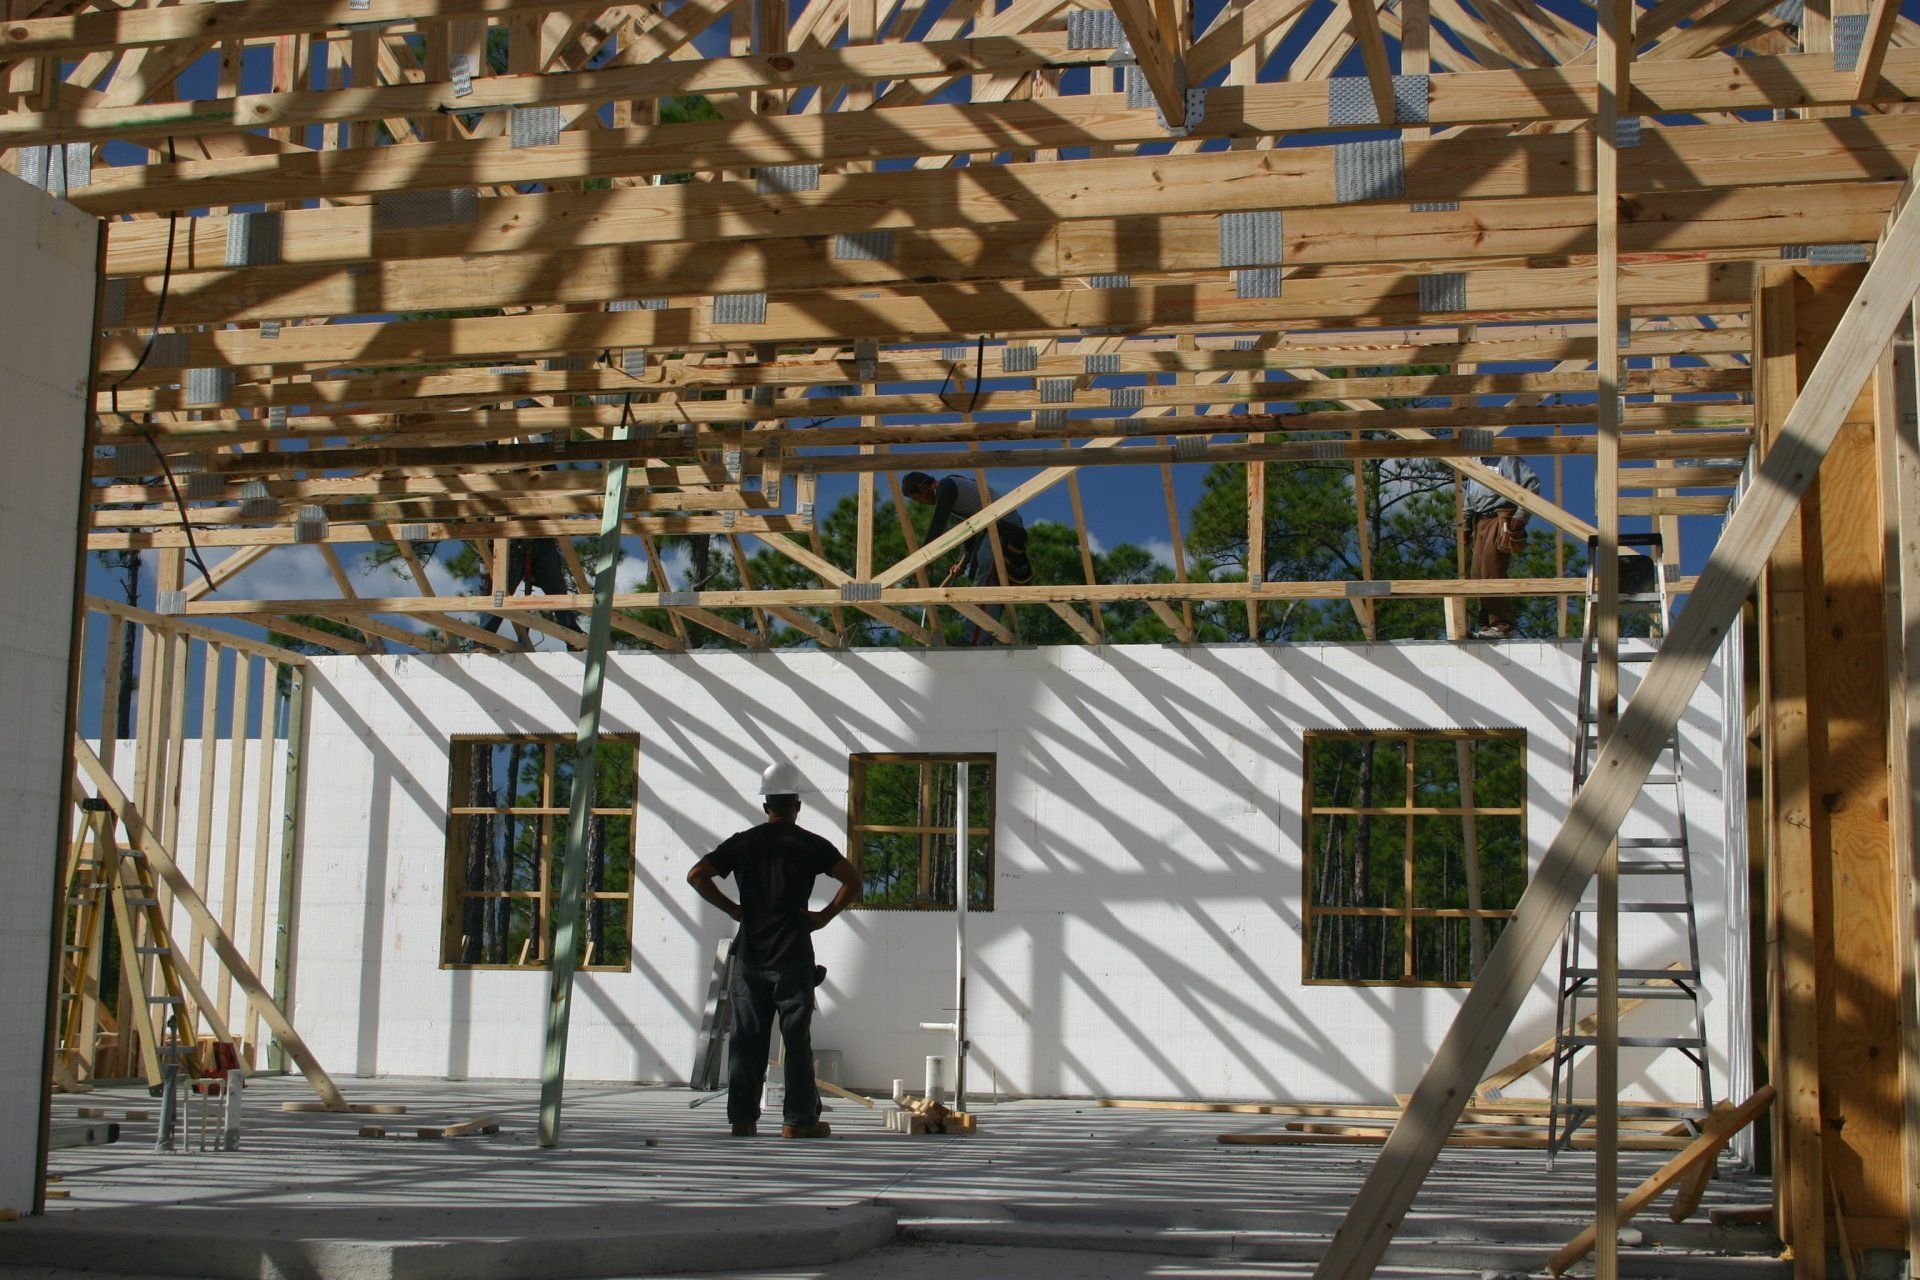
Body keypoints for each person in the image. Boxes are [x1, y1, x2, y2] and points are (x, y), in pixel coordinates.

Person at [686, 762, 863, 1139]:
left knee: (746, 1039)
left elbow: (696, 875)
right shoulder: (810, 844)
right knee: (797, 1041)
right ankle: (797, 1122)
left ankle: (743, 1120)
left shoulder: (743, 842)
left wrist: (735, 910)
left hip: (752, 954)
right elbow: (853, 880)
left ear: (766, 805)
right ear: (797, 805)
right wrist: (824, 916)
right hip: (793, 954)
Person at [902, 471, 1034, 645]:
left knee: (988, 577)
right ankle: (982, 635)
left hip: (1003, 527)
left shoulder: (946, 486)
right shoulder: (955, 496)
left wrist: (922, 561)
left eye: (917, 498)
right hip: (995, 526)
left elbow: (938, 524)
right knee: (989, 578)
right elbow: (970, 530)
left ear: (922, 487)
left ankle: (975, 639)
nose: (921, 503)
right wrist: (963, 563)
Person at [1461, 455, 1542, 640]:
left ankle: (1503, 625)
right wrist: (1465, 526)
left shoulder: (1507, 460)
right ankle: (1486, 625)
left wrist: (1521, 516)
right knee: (1477, 575)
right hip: (1479, 520)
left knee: (1492, 571)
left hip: (1501, 516)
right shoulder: (1474, 463)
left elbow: (1532, 484)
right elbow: (1469, 499)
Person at [480, 538, 579, 638]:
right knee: (499, 593)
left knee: (557, 592)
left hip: (541, 540)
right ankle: (484, 638)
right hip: (510, 541)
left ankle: (574, 638)